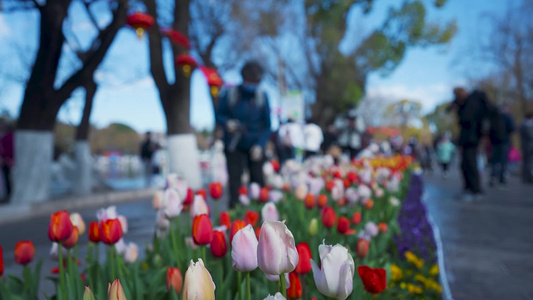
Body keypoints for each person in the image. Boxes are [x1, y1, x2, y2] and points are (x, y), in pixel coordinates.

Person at [215, 61, 271, 208]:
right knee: (235, 182)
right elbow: (218, 115)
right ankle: (235, 215)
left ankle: (262, 214)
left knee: (258, 182)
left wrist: (260, 145)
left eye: (256, 82)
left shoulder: (262, 97)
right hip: (234, 145)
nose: (253, 84)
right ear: (243, 78)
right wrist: (227, 123)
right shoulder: (231, 94)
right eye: (250, 81)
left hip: (255, 145)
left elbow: (267, 125)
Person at [448, 87, 489, 200]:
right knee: (465, 164)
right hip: (469, 137)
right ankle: (469, 188)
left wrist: (459, 109)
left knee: (470, 163)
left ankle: (475, 190)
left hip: (471, 138)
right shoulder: (468, 102)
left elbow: (467, 120)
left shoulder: (471, 103)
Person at [487, 105, 515, 187]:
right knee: (503, 160)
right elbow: (512, 129)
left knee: (494, 159)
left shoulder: (493, 117)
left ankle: (492, 176)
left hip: (494, 142)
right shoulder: (508, 117)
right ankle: (502, 178)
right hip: (505, 141)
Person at [0, 123, 14, 203]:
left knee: (8, 179)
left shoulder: (9, 137)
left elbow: (9, 149)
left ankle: (9, 195)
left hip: (7, 161)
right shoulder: (4, 137)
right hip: (4, 160)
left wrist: (7, 158)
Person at [520, 112, 533, 183]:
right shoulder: (526, 125)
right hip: (529, 147)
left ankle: (526, 177)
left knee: (526, 162)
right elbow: (530, 135)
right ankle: (528, 177)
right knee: (529, 163)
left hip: (526, 147)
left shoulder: (523, 124)